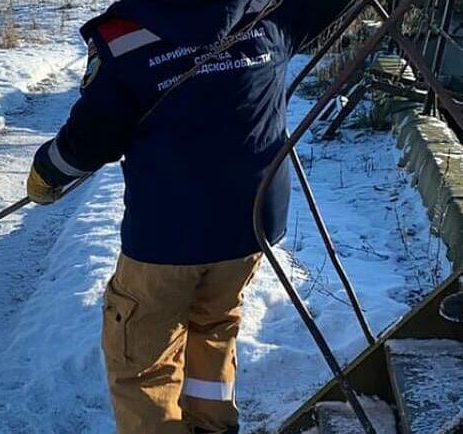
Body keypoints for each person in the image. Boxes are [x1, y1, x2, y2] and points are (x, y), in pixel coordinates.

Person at [26, 0, 353, 432]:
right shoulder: (268, 17)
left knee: (142, 361)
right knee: (213, 327)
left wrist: (47, 173)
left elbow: (89, 140)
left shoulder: (124, 39)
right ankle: (212, 426)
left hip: (166, 238)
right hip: (249, 229)